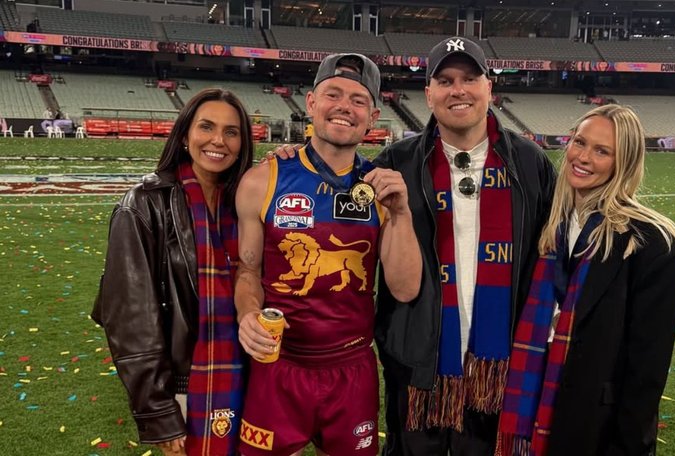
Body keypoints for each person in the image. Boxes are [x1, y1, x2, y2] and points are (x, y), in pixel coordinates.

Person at [374, 37, 556, 455]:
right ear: (428, 93)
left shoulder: (530, 163)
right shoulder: (394, 162)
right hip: (418, 365)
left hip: (502, 366)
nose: (458, 90)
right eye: (445, 80)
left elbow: (555, 253)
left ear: (489, 88)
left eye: (470, 78)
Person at [234, 53, 421, 456]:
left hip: (352, 369)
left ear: (372, 116)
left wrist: (402, 213)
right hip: (279, 366)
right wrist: (247, 314)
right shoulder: (263, 179)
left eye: (357, 100)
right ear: (311, 104)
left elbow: (405, 290)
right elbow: (248, 270)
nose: (344, 107)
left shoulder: (381, 189)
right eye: (333, 94)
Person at [496, 104, 675, 455]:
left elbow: (646, 371)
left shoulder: (652, 242)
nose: (583, 157)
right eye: (579, 142)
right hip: (528, 403)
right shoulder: (548, 224)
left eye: (602, 151)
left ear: (623, 163)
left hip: (593, 424)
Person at [93, 88, 255, 456]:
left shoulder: (249, 199)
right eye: (207, 127)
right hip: (184, 386)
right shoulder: (143, 204)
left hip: (250, 379)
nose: (219, 141)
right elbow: (130, 320)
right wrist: (159, 411)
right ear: (185, 135)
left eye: (232, 132)